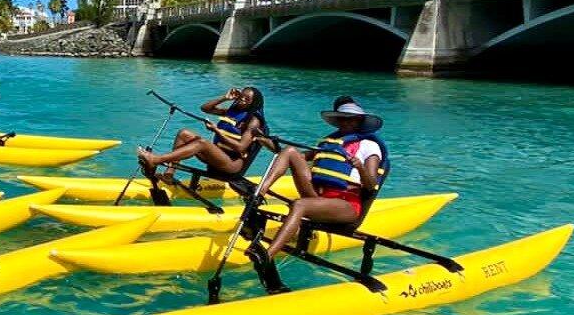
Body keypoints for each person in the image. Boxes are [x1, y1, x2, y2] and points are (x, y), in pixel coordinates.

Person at [252, 98, 388, 263]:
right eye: (342, 118)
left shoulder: (369, 145)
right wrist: (264, 140)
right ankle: (259, 193)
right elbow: (293, 158)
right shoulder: (329, 143)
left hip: (346, 204)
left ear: (360, 121)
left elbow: (371, 184)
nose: (345, 121)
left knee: (299, 204)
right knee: (290, 151)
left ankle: (267, 256)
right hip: (318, 196)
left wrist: (359, 167)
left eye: (350, 118)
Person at [137, 86, 268, 182]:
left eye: (247, 99)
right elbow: (205, 108)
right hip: (217, 157)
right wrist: (225, 98)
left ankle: (156, 160)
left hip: (232, 165)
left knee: (202, 143)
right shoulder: (233, 111)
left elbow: (241, 147)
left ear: (254, 103)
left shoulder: (253, 121)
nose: (242, 100)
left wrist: (216, 130)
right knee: (184, 133)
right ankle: (169, 174)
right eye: (241, 97)